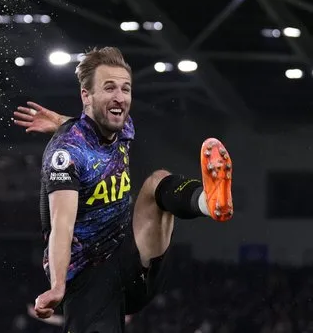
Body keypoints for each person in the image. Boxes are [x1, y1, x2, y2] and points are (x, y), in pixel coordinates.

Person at [12, 47, 233, 333]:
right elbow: (62, 226)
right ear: (86, 95)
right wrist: (57, 286)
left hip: (131, 260)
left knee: (158, 182)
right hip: (89, 276)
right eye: (109, 88)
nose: (120, 97)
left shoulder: (123, 126)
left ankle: (209, 201)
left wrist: (61, 121)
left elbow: (90, 125)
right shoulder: (65, 154)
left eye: (125, 89)